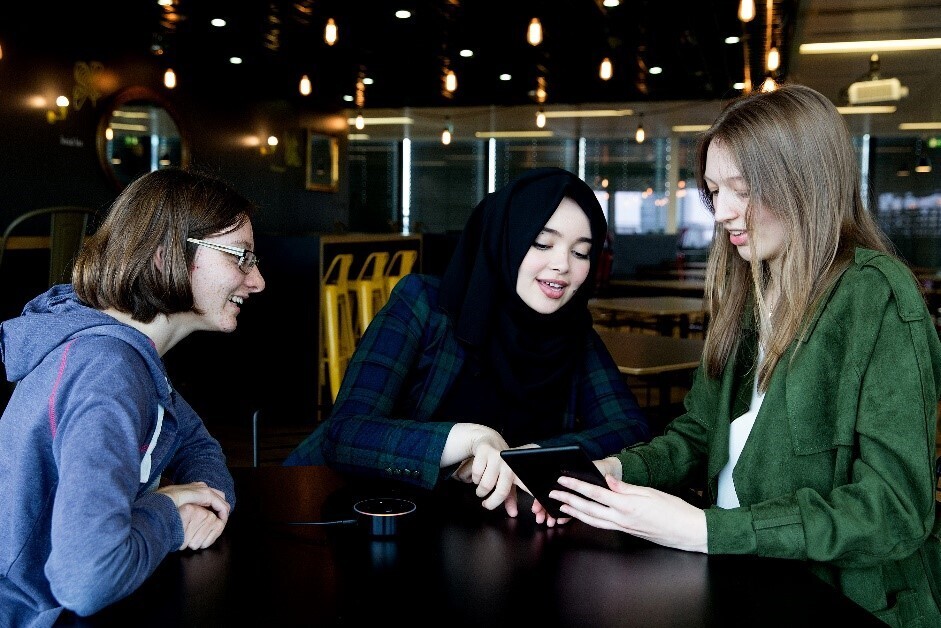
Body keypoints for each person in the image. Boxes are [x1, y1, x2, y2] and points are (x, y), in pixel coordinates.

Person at [548, 84, 941, 625]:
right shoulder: (751, 287)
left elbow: (893, 512)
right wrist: (613, 472)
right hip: (738, 573)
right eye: (714, 190)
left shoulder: (877, 295)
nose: (724, 212)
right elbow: (698, 435)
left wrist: (703, 528)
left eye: (744, 188)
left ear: (806, 182)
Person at [285, 167, 649, 520]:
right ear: (505, 239)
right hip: (332, 511)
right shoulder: (424, 305)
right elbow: (345, 433)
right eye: (542, 243)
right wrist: (469, 440)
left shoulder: (573, 332)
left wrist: (535, 457)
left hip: (482, 534)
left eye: (581, 252)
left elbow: (632, 429)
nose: (562, 265)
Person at [0, 167, 265, 627]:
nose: (256, 280)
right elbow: (87, 579)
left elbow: (199, 447)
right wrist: (168, 514)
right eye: (240, 257)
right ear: (166, 258)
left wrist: (198, 500)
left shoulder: (126, 354)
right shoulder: (106, 369)